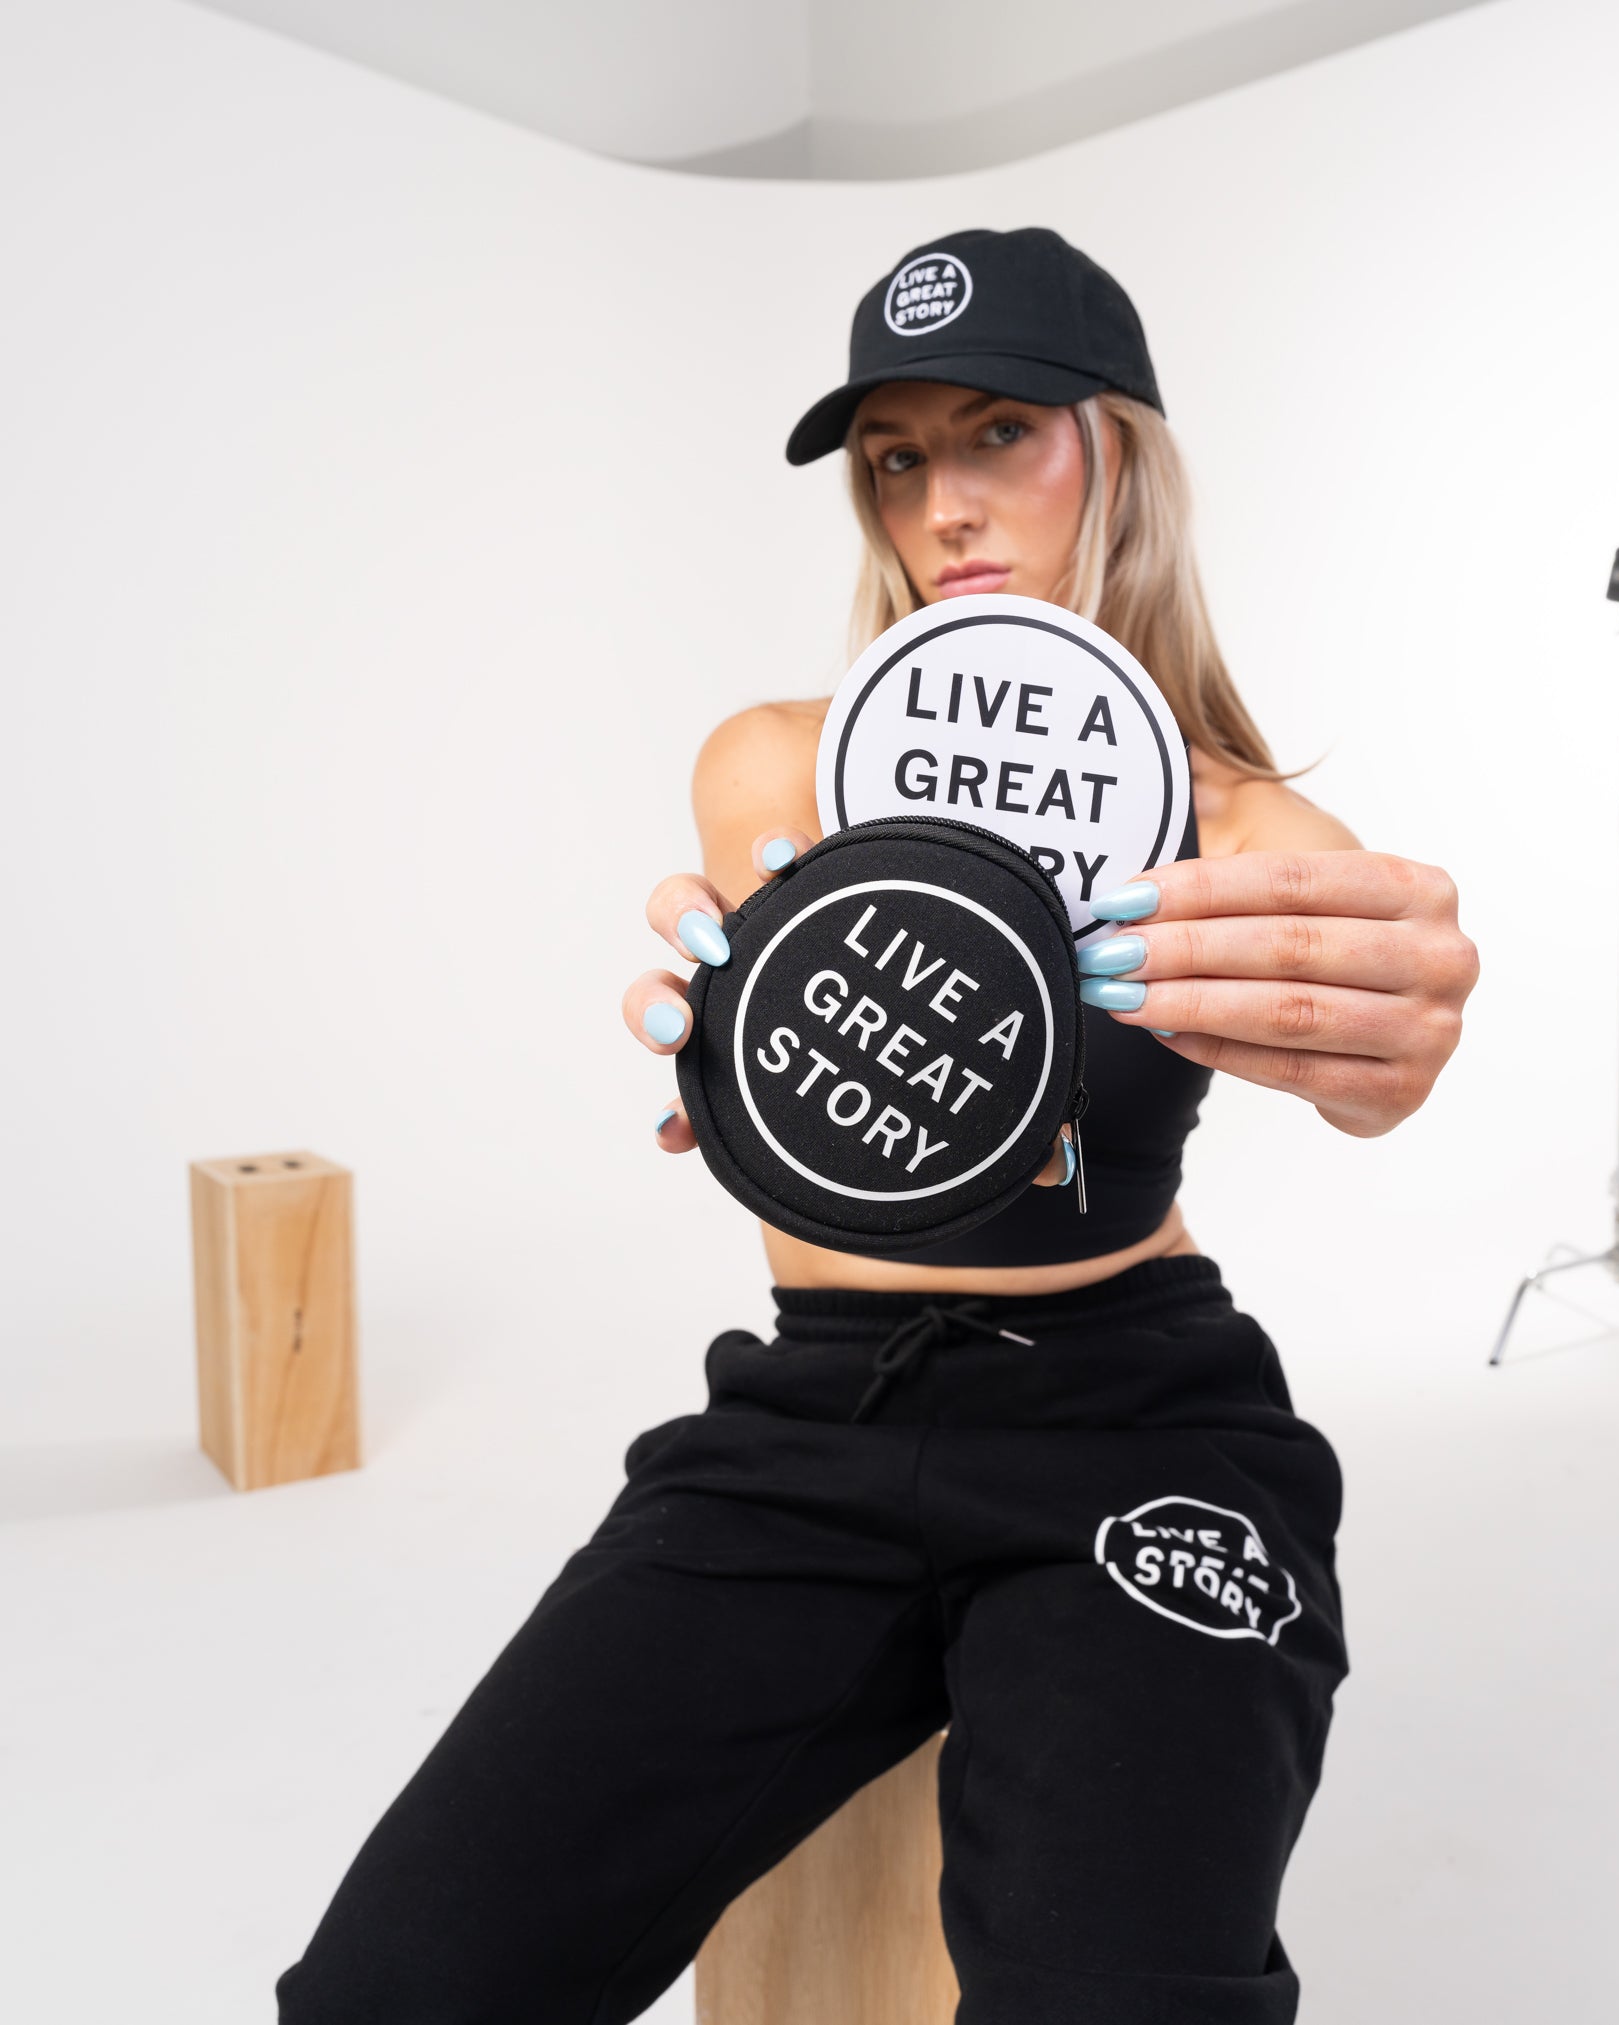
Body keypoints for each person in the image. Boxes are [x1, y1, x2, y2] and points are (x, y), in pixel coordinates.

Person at [278, 227, 1478, 2024]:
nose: (946, 501)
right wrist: (737, 1052)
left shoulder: (1247, 843)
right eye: (899, 457)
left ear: (1118, 454)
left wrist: (1395, 1034)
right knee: (396, 1988)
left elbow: (1381, 1039)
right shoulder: (782, 767)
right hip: (808, 1417)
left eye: (1000, 431)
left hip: (1131, 1422)